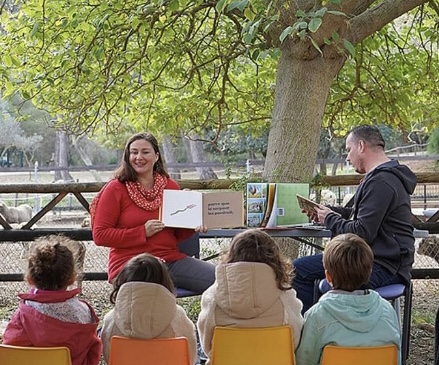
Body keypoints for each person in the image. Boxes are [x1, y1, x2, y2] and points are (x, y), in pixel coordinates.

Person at [293, 125, 417, 313]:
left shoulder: (381, 182)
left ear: (361, 146)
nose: (347, 157)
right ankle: (322, 331)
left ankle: (320, 332)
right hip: (367, 260)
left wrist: (330, 219)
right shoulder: (381, 178)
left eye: (348, 150)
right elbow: (359, 215)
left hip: (383, 266)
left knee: (300, 273)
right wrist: (328, 212)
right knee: (299, 269)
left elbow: (362, 232)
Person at [91, 132, 215, 292]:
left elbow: (177, 234)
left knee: (224, 282)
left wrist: (193, 224)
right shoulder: (115, 188)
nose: (139, 157)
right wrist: (141, 232)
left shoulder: (170, 186)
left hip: (170, 261)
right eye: (134, 152)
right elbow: (100, 235)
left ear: (156, 156)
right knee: (149, 293)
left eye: (145, 152)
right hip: (131, 264)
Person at [197, 229, 303, 364]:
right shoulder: (286, 295)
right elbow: (295, 341)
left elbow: (207, 346)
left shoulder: (212, 297)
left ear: (231, 256)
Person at [295, 233, 401, 365]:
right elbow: (396, 357)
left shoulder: (316, 315)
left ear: (328, 277)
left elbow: (304, 360)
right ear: (369, 273)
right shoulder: (388, 311)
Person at [3, 235, 102, 365]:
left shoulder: (23, 316)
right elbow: (93, 352)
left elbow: (10, 351)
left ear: (29, 279)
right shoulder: (84, 313)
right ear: (72, 278)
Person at [100, 253, 197, 365]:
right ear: (165, 282)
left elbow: (109, 358)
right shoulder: (178, 316)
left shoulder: (111, 320)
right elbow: (190, 358)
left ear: (123, 281)